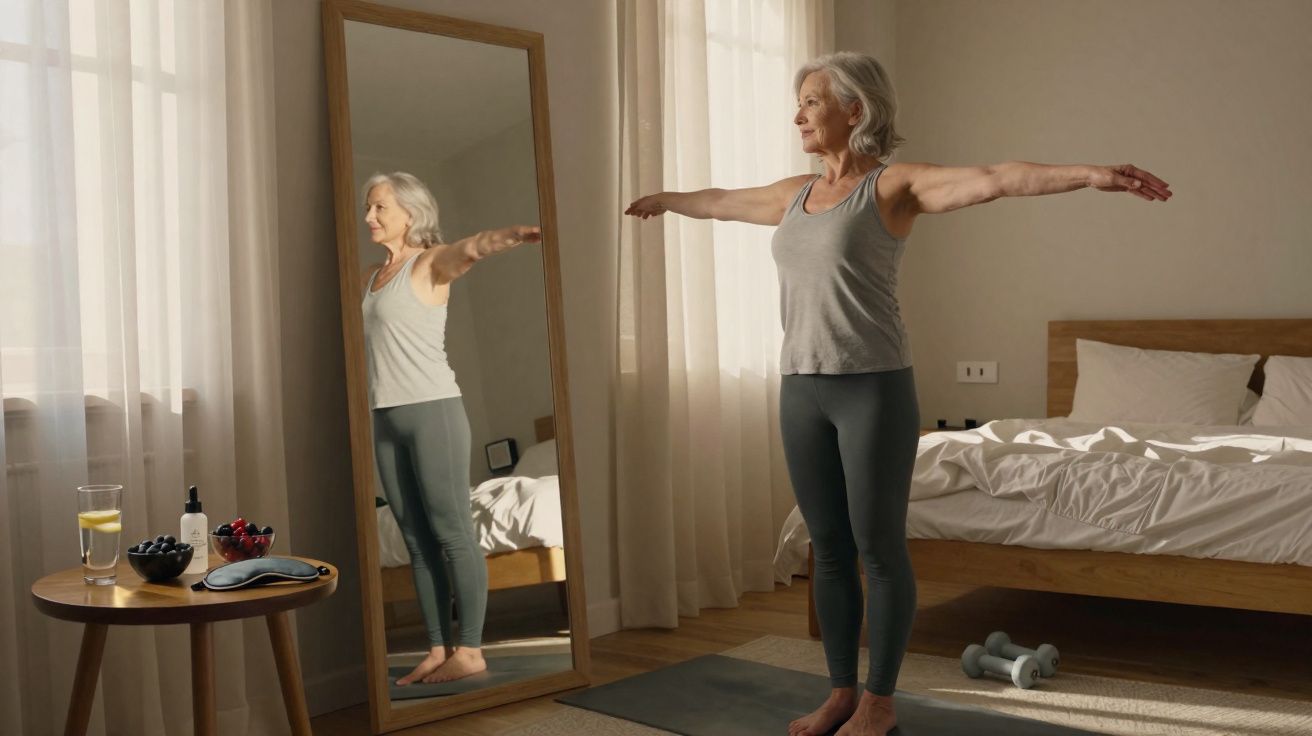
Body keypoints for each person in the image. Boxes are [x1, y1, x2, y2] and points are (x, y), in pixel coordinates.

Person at [624, 52, 1170, 736]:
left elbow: (995, 179)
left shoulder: (892, 187)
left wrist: (1089, 175)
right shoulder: (794, 193)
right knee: (826, 548)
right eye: (798, 102)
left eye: (812, 101)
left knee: (878, 548)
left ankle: (880, 701)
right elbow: (723, 202)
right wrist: (668, 200)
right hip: (801, 389)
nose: (798, 114)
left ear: (856, 109)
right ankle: (841, 692)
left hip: (872, 389)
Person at [360, 171, 541, 685]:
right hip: (384, 418)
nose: (369, 217)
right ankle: (438, 648)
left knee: (453, 534)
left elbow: (473, 248)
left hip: (432, 411)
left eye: (380, 208)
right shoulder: (372, 277)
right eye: (368, 208)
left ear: (411, 213)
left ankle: (471, 649)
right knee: (415, 540)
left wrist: (513, 235)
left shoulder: (429, 263)